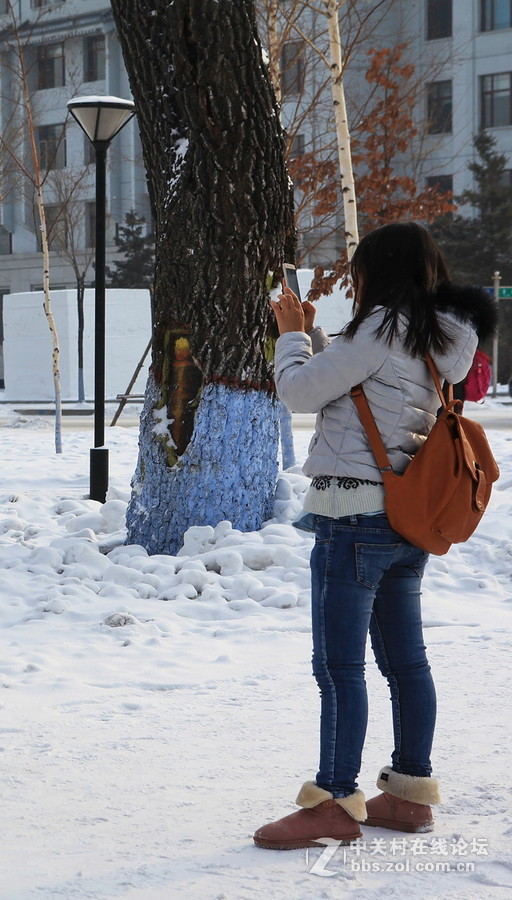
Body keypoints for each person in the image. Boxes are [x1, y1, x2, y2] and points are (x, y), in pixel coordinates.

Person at [254, 223, 495, 850]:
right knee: (406, 664)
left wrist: (289, 340)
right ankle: (411, 792)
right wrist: (316, 337)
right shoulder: (438, 335)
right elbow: (373, 386)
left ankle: (333, 799)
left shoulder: (380, 326)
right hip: (404, 520)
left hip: (352, 518)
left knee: (338, 667)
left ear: (375, 273)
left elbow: (299, 391)